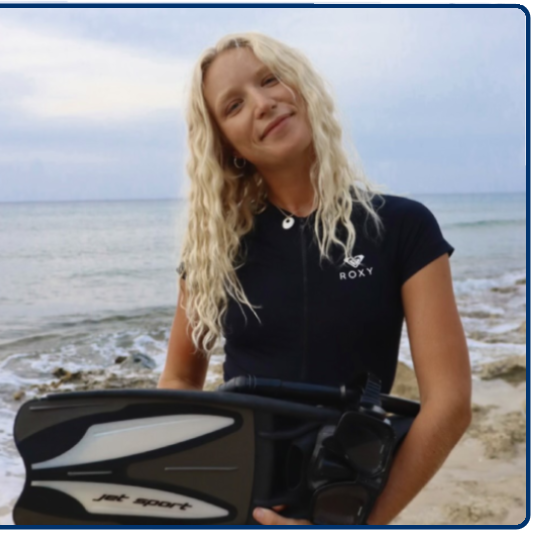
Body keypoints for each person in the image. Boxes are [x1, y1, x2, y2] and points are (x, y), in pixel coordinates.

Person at [157, 32, 472, 526]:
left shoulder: (402, 228)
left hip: (346, 497)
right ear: (226, 144)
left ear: (301, 87)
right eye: (235, 105)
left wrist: (358, 523)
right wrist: (194, 491)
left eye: (270, 79)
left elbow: (450, 404)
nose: (263, 104)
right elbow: (179, 378)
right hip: (234, 502)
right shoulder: (214, 250)